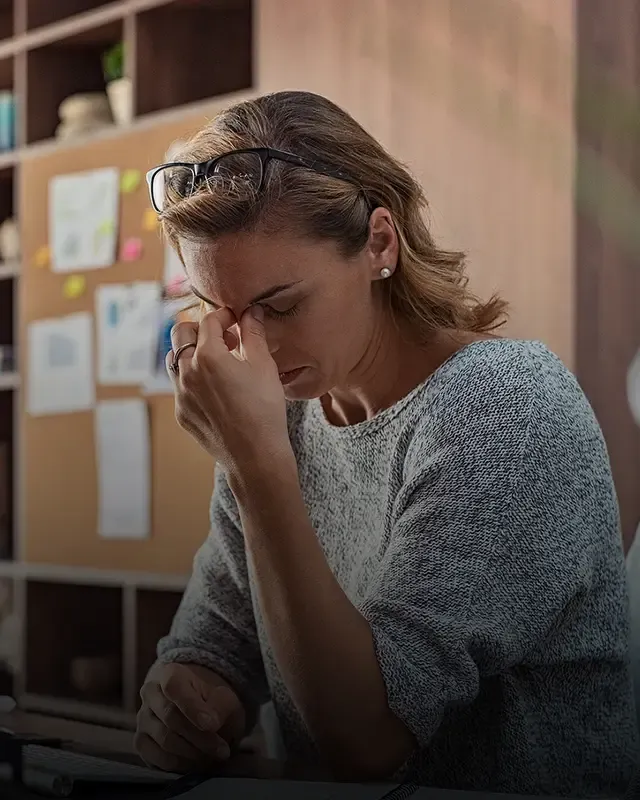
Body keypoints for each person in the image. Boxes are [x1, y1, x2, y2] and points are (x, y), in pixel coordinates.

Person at [135, 90, 639, 795]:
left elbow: (366, 741)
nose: (250, 345)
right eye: (220, 310)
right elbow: (219, 644)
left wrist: (256, 465)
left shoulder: (504, 407)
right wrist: (185, 698)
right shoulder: (281, 415)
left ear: (379, 242)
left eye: (280, 306)